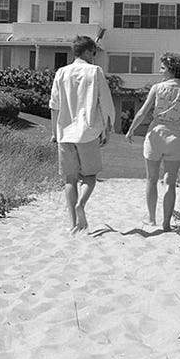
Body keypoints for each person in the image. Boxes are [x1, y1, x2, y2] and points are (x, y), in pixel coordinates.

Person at [49, 36, 115, 233]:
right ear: (87, 52)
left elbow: (54, 106)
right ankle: (81, 205)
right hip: (87, 132)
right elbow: (106, 103)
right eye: (94, 53)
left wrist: (55, 132)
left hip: (65, 133)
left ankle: (73, 223)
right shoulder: (95, 71)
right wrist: (107, 129)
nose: (95, 57)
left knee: (70, 180)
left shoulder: (61, 72)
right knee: (90, 175)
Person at [125, 53, 180, 232]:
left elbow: (142, 112)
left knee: (151, 179)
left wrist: (131, 129)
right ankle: (167, 223)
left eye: (163, 68)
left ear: (171, 69)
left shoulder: (158, 87)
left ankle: (151, 218)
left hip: (156, 133)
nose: (160, 70)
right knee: (170, 182)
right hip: (175, 135)